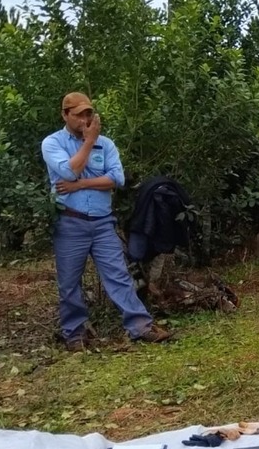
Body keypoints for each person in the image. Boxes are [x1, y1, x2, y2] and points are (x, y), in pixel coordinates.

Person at [41, 92, 171, 352]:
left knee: (119, 276)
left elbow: (116, 179)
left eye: (89, 113)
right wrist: (89, 142)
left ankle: (141, 327)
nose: (85, 119)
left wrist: (81, 184)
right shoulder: (53, 143)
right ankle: (74, 335)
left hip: (102, 223)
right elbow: (68, 171)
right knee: (69, 282)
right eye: (79, 114)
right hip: (70, 222)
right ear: (65, 115)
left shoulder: (107, 144)